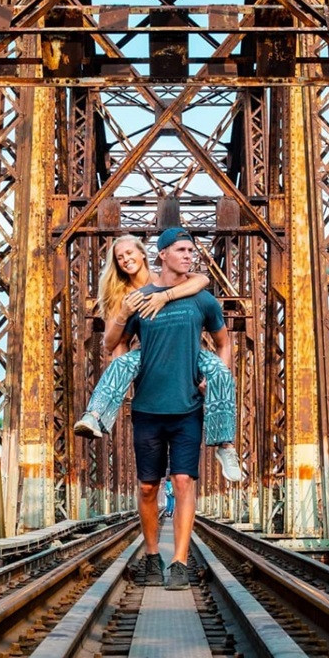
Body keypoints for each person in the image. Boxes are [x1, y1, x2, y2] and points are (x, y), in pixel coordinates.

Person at [113, 227, 231, 591]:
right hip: (147, 409)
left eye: (191, 250)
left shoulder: (202, 300)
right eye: (181, 250)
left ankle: (178, 561)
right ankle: (152, 556)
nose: (188, 255)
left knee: (183, 481)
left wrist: (216, 377)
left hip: (187, 409)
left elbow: (224, 342)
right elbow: (114, 342)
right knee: (149, 487)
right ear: (161, 254)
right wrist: (127, 371)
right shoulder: (139, 299)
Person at [72, 232, 243, 483]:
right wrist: (124, 315)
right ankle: (94, 416)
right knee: (121, 364)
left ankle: (226, 445)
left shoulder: (160, 279)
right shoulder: (121, 294)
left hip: (186, 351)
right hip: (150, 352)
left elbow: (201, 280)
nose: (126, 260)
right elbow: (113, 343)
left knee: (221, 372)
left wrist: (165, 296)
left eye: (130, 253)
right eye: (120, 258)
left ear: (144, 253)